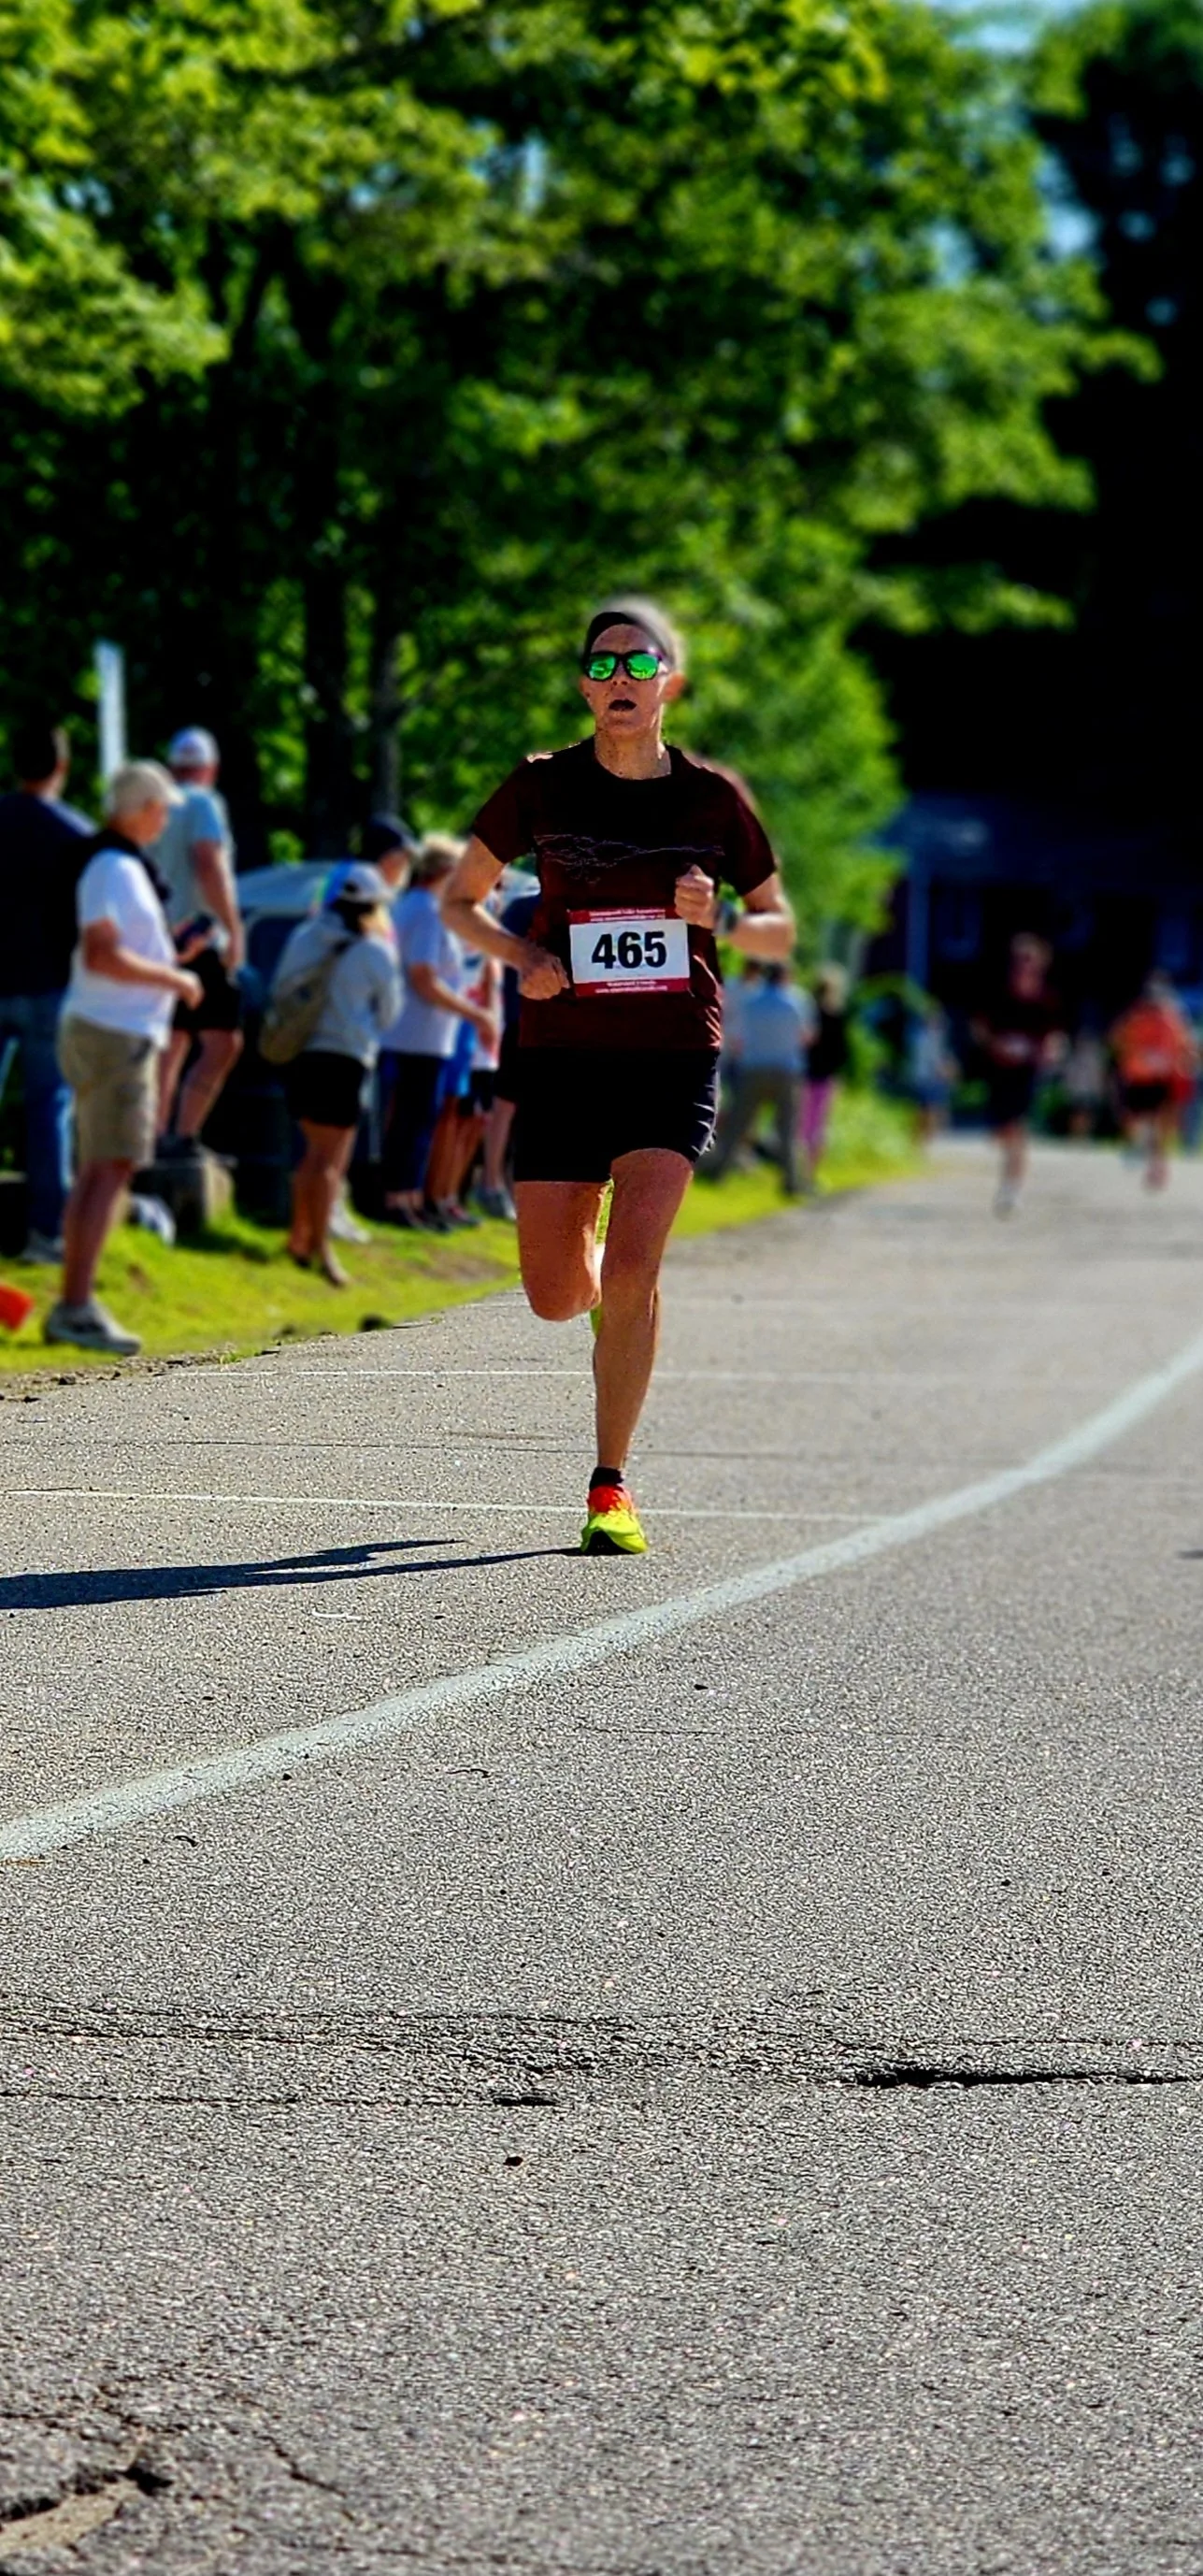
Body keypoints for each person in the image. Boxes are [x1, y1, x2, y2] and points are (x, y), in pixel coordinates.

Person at [441, 595, 794, 1555]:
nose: (619, 683)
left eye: (638, 666)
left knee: (637, 1267)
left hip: (672, 1057)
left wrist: (716, 918)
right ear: (582, 688)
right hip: (562, 1058)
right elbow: (460, 901)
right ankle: (595, 1272)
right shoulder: (540, 787)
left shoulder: (714, 799)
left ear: (670, 681)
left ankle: (609, 1486)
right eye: (600, 668)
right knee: (560, 1295)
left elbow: (780, 926)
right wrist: (522, 962)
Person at [48, 763, 202, 1356]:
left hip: (110, 1027)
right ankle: (77, 1304)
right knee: (108, 1168)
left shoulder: (116, 864)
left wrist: (172, 955)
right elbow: (105, 955)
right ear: (140, 807)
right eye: (161, 809)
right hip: (116, 1033)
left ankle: (78, 1299)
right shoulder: (113, 865)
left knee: (101, 1168)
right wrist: (176, 978)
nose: (165, 821)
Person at [274, 862, 401, 1284]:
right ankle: (322, 1250)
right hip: (346, 1059)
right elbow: (390, 1013)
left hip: (302, 1056)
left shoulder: (304, 937)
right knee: (330, 1163)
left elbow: (281, 991)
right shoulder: (374, 950)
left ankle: (300, 1237)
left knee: (311, 1155)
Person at [0, 720, 92, 1262]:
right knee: (49, 1109)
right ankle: (46, 1233)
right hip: (51, 986)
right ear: (62, 766)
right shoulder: (75, 835)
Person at [379, 835, 494, 1229]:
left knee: (418, 1117)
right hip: (416, 1035)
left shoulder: (417, 908)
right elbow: (424, 977)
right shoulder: (427, 912)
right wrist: (474, 1014)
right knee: (413, 1119)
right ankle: (399, 1198)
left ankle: (409, 1196)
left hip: (423, 1035)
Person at [322, 813, 418, 1244]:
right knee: (339, 1123)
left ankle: (334, 1202)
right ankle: (331, 1206)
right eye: (400, 858)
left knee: (346, 1121)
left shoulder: (354, 881)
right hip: (348, 1021)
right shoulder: (359, 883)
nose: (403, 868)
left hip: (355, 1020)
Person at [153, 726, 245, 1152]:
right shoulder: (204, 803)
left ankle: (154, 1137)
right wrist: (233, 927)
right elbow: (208, 862)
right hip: (200, 936)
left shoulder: (154, 805)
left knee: (171, 1043)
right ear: (211, 770)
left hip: (159, 937)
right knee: (223, 1041)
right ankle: (184, 1134)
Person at [971, 933, 1064, 1216]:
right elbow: (979, 1027)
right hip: (998, 1069)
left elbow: (1054, 1036)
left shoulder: (1047, 1000)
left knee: (1018, 1127)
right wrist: (996, 1044)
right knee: (1001, 1130)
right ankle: (1009, 1168)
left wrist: (1049, 1051)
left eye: (1030, 961)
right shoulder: (997, 993)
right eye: (1020, 960)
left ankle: (1011, 1188)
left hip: (1027, 1071)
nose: (1024, 966)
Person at [707, 962, 809, 1194]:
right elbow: (806, 1036)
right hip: (786, 1070)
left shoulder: (751, 1003)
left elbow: (736, 1038)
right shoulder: (796, 1002)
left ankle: (719, 1171)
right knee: (787, 1129)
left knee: (737, 1125)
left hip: (753, 1068)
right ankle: (791, 1181)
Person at [478, 874, 539, 1220]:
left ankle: (500, 1183)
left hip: (523, 1019)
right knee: (507, 1107)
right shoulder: (529, 907)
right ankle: (493, 1183)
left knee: (510, 1108)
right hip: (522, 1019)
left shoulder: (520, 907)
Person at [1110, 973, 1196, 1191]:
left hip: (1163, 1079)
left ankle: (1158, 1169)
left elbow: (1185, 1045)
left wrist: (1183, 1063)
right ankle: (1140, 1147)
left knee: (1160, 1125)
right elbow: (1118, 1040)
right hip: (1139, 1077)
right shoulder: (1135, 1016)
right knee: (1136, 1119)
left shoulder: (1174, 1017)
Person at [801, 963, 850, 1188]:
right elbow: (842, 1052)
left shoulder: (807, 1015)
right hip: (824, 1077)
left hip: (803, 1075)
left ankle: (799, 1173)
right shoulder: (836, 1017)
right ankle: (811, 1173)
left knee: (801, 1125)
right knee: (818, 1127)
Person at [909, 999, 957, 1145]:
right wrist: (944, 1070)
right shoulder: (925, 1038)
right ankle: (925, 1136)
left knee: (928, 1107)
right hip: (927, 1077)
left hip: (928, 1077)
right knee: (928, 1107)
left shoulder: (928, 1037)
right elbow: (934, 1059)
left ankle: (926, 1135)